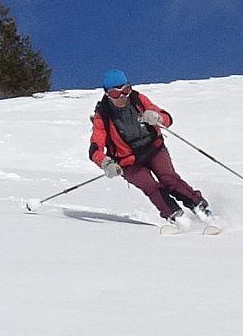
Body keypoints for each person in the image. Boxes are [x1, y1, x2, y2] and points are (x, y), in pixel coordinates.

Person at [90, 71, 216, 228]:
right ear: (107, 94)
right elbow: (95, 149)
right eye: (115, 94)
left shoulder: (137, 99)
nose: (122, 97)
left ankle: (200, 208)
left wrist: (157, 118)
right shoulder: (103, 115)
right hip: (128, 162)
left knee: (169, 179)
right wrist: (106, 163)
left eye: (125, 91)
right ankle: (176, 216)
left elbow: (166, 118)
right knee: (150, 186)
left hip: (154, 148)